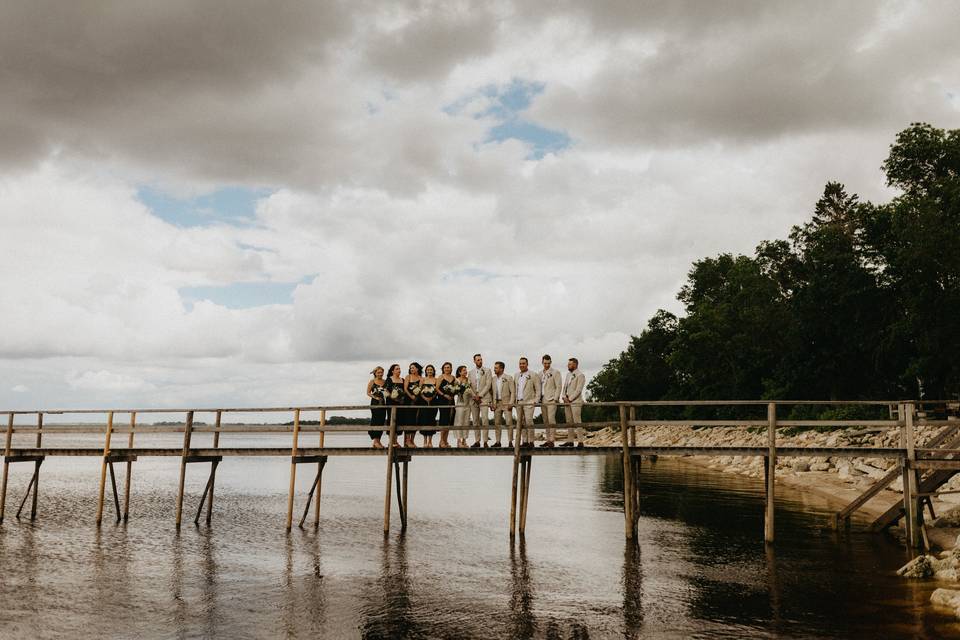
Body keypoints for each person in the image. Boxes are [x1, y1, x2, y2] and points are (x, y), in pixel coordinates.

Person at [538, 354, 563, 448]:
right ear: (542, 362)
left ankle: (552, 440)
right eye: (545, 363)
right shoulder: (540, 373)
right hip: (543, 399)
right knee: (545, 420)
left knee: (551, 419)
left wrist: (556, 398)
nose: (546, 365)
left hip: (551, 399)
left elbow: (559, 386)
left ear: (551, 362)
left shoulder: (556, 372)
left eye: (548, 363)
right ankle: (547, 440)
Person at [468, 353, 493, 447]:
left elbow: (488, 385)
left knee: (485, 419)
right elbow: (468, 385)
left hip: (484, 398)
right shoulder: (470, 373)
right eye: (478, 360)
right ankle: (477, 441)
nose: (480, 361)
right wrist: (474, 396)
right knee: (475, 420)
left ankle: (485, 441)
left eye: (481, 359)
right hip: (474, 399)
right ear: (474, 361)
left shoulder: (487, 371)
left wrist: (480, 395)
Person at [514, 357, 539, 448]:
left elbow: (538, 389)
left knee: (529, 421)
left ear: (527, 364)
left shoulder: (533, 374)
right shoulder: (516, 375)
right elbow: (515, 389)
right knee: (521, 422)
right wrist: (515, 401)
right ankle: (524, 441)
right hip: (519, 402)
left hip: (529, 402)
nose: (522, 365)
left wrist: (535, 401)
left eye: (523, 363)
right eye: (520, 363)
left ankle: (531, 441)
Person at [562, 357, 587, 448]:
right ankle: (570, 440)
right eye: (568, 364)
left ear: (575, 364)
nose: (568, 366)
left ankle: (580, 441)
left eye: (570, 364)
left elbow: (578, 390)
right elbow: (564, 387)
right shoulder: (568, 375)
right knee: (569, 421)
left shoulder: (580, 375)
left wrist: (570, 399)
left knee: (577, 421)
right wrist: (564, 397)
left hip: (575, 401)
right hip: (566, 401)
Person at [491, 361, 515, 447]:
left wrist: (511, 403)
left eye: (496, 368)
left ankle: (510, 442)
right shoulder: (493, 379)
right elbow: (491, 392)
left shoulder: (509, 378)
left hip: (506, 403)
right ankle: (498, 442)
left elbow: (513, 392)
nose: (494, 369)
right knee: (497, 423)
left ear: (501, 369)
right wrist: (492, 403)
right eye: (494, 368)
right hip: (496, 403)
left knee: (509, 422)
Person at [384, 364, 405, 446]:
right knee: (391, 420)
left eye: (399, 369)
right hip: (391, 403)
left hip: (400, 403)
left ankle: (395, 441)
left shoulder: (402, 380)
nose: (399, 370)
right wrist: (393, 397)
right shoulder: (389, 379)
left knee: (399, 421)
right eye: (397, 369)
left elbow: (404, 391)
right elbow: (385, 391)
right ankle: (391, 441)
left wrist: (401, 398)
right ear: (392, 371)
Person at [367, 366, 388, 449]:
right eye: (378, 372)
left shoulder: (385, 382)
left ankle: (378, 441)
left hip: (383, 403)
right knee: (375, 420)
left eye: (381, 372)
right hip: (375, 403)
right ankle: (375, 441)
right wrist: (375, 397)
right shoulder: (372, 382)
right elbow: (368, 392)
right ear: (375, 373)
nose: (380, 374)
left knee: (381, 421)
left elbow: (387, 392)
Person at [403, 362, 423, 448]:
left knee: (415, 420)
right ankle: (407, 440)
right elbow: (405, 388)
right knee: (408, 420)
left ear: (417, 369)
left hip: (417, 400)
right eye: (411, 368)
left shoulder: (421, 378)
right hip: (408, 400)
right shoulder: (408, 377)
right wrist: (411, 396)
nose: (412, 369)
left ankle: (412, 440)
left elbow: (421, 388)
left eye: (413, 368)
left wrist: (416, 396)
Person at [437, 362, 456, 448]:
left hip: (451, 400)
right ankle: (441, 441)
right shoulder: (441, 377)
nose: (447, 369)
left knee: (449, 419)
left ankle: (446, 440)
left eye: (448, 367)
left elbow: (456, 388)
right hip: (443, 400)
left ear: (451, 369)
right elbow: (437, 388)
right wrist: (444, 395)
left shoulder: (453, 378)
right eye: (445, 367)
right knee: (444, 419)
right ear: (443, 369)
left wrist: (453, 393)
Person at [453, 365, 473, 447]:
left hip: (468, 404)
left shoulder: (468, 380)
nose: (465, 371)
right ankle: (458, 441)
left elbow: (471, 391)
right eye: (464, 370)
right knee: (459, 422)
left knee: (466, 422)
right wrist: (459, 391)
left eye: (466, 370)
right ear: (459, 372)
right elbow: (454, 390)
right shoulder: (457, 380)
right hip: (460, 403)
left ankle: (464, 440)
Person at [419, 364, 439, 448]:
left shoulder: (436, 379)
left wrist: (431, 397)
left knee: (431, 420)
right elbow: (419, 390)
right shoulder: (422, 379)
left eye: (431, 370)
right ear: (426, 371)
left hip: (433, 401)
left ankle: (430, 441)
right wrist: (425, 398)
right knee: (424, 419)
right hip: (423, 401)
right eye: (428, 370)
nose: (429, 371)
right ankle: (424, 440)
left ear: (433, 371)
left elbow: (436, 391)